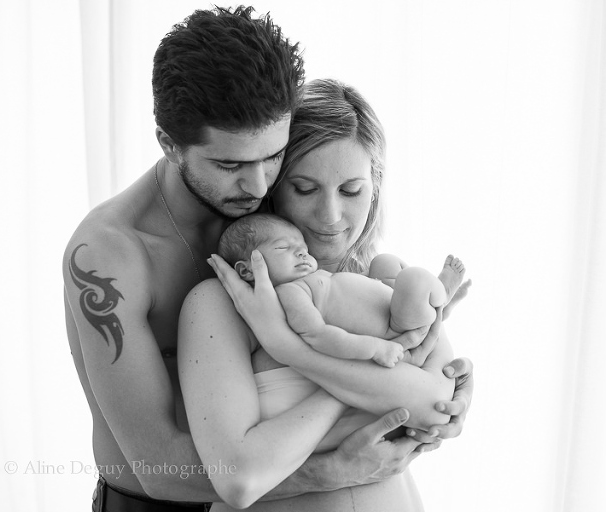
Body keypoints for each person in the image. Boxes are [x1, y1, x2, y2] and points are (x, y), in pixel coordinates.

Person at [63, 7, 473, 511]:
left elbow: (417, 386)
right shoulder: (110, 257)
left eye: (273, 157)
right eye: (229, 164)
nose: (258, 185)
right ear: (169, 144)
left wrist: (436, 377)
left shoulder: (284, 228)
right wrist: (333, 467)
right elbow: (158, 467)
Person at [179, 78, 473, 511]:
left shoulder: (384, 284)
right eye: (305, 188)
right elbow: (239, 477)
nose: (330, 215)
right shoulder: (225, 303)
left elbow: (437, 408)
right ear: (273, 187)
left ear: (374, 190)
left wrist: (290, 348)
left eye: (351, 190)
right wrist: (372, 389)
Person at [217, 213, 467, 367]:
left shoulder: (313, 277)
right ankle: (439, 296)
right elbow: (320, 336)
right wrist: (375, 349)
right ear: (247, 270)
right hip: (392, 327)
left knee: (384, 261)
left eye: (303, 248)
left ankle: (436, 307)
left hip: (390, 301)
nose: (302, 252)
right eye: (283, 248)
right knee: (414, 279)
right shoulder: (288, 293)